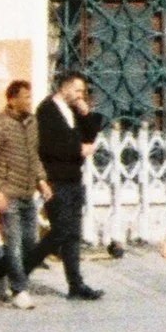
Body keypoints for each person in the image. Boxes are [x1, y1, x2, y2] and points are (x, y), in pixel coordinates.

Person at [36, 72, 105, 299]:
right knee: (59, 233)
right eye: (77, 90)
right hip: (56, 179)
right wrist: (78, 150)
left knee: (72, 234)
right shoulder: (47, 110)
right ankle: (10, 269)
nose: (80, 95)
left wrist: (85, 114)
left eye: (82, 92)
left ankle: (76, 284)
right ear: (64, 88)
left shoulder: (74, 110)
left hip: (74, 179)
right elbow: (48, 146)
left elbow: (91, 132)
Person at [0, 78, 45, 305]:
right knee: (13, 244)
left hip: (27, 192)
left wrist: (42, 181)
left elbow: (33, 155)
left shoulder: (33, 122)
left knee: (29, 245)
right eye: (25, 97)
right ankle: (19, 290)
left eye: (30, 96)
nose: (29, 101)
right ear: (12, 99)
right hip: (7, 194)